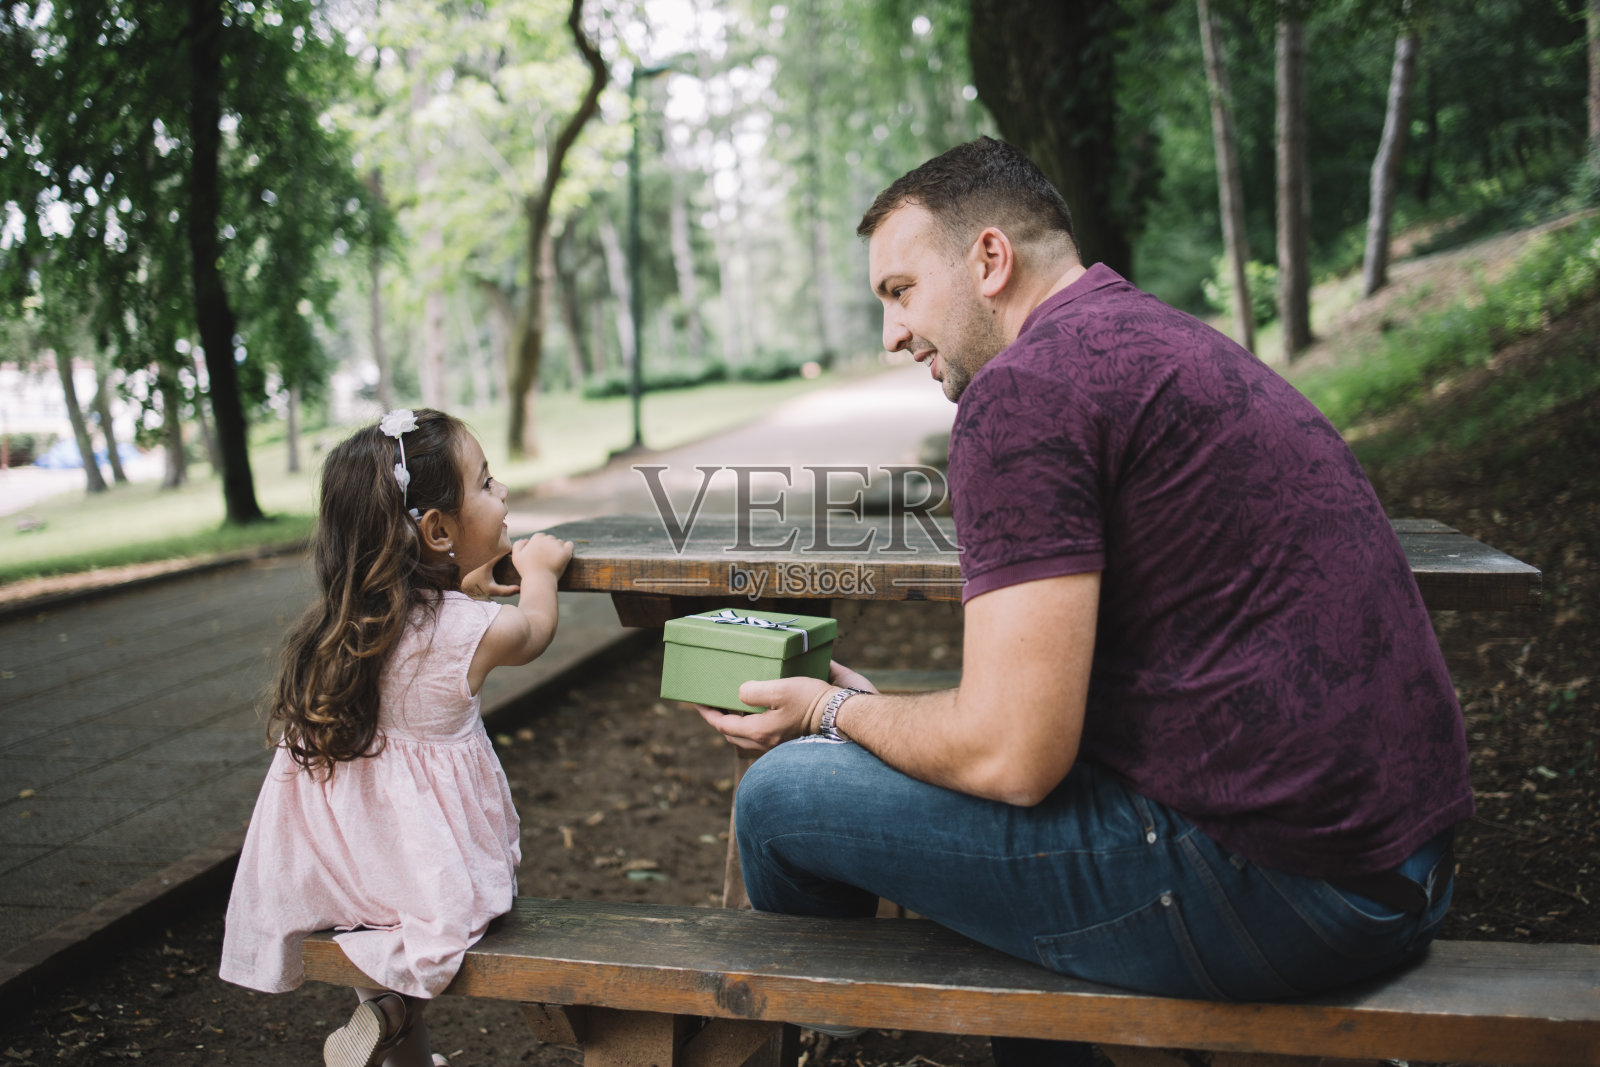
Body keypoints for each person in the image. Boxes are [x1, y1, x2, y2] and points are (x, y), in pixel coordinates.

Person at [697, 138, 1473, 1064]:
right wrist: (874, 724)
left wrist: (833, 711)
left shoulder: (1023, 394)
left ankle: (855, 1051)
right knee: (930, 788)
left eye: (901, 291)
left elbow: (1014, 755)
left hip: (1287, 892)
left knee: (784, 797)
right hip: (1406, 866)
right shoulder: (1161, 339)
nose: (891, 335)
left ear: (990, 259)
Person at [219, 408, 573, 1067]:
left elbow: (434, 625)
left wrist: (465, 587)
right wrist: (543, 570)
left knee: (381, 925)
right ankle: (390, 1009)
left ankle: (395, 1044)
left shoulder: (336, 632)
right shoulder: (470, 631)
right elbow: (534, 631)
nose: (502, 496)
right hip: (421, 860)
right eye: (488, 482)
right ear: (437, 530)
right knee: (445, 917)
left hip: (341, 863)